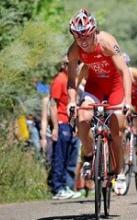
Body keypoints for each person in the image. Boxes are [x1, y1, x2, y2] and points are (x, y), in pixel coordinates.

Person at [67, 8, 131, 195]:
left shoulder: (107, 43)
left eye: (86, 35)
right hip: (95, 86)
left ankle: (119, 173)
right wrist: (72, 101)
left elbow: (124, 72)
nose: (83, 41)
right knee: (83, 117)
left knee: (116, 128)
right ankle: (88, 156)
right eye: (78, 37)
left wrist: (127, 100)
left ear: (94, 31)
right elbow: (72, 80)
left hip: (115, 86)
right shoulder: (74, 50)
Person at [50, 57, 81, 200]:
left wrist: (74, 125)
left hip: (69, 123)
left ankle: (66, 186)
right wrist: (55, 127)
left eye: (77, 63)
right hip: (61, 122)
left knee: (70, 157)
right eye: (71, 64)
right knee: (60, 157)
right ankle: (58, 188)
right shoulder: (60, 80)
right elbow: (52, 104)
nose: (74, 66)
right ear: (64, 65)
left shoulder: (70, 81)